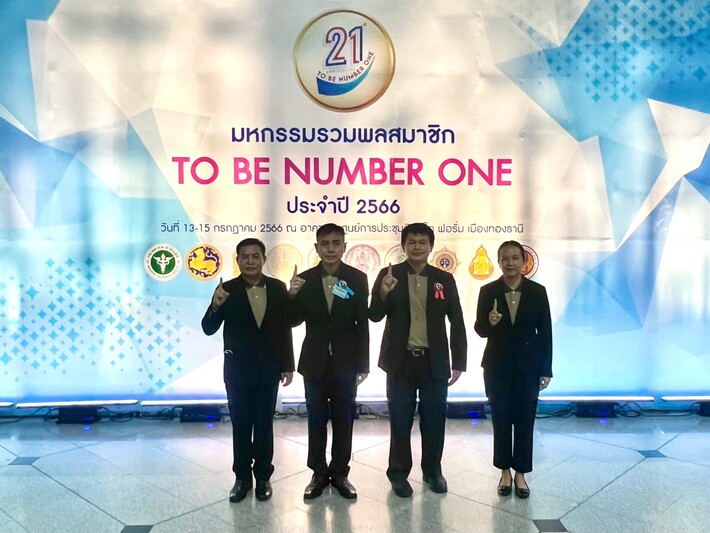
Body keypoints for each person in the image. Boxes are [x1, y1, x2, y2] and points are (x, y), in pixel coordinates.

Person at [369, 222, 467, 498]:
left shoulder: (444, 279)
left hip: (434, 362)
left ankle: (433, 471)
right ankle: (398, 474)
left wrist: (459, 361)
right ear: (403, 246)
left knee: (434, 420)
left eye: (422, 242)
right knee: (400, 421)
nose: (417, 247)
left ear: (431, 246)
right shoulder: (389, 275)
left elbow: (457, 320)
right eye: (411, 242)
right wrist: (383, 292)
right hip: (399, 362)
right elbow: (374, 315)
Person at [202, 238, 294, 503]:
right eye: (245, 257)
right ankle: (242, 478)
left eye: (256, 256)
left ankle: (263, 477)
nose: (251, 261)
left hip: (269, 369)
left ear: (263, 259)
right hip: (238, 370)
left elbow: (284, 328)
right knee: (241, 424)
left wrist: (288, 365)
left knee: (264, 424)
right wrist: (215, 306)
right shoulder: (226, 289)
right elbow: (208, 328)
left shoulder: (277, 288)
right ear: (238, 260)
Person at [288, 223, 370, 500]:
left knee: (344, 419)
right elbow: (292, 320)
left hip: (346, 362)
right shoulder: (305, 280)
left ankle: (340, 473)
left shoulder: (357, 279)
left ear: (344, 246)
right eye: (325, 243)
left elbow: (362, 323)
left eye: (336, 243)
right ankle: (318, 472)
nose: (331, 249)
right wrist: (292, 295)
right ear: (317, 247)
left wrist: (363, 364)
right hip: (314, 362)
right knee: (316, 419)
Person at [474, 240, 552, 499]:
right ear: (498, 262)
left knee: (525, 421)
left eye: (515, 258)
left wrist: (546, 369)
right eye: (505, 258)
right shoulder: (488, 291)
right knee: (501, 420)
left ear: (523, 261)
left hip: (529, 368)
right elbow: (480, 329)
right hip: (497, 367)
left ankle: (521, 474)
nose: (510, 263)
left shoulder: (537, 291)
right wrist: (489, 322)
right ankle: (504, 472)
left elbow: (545, 333)